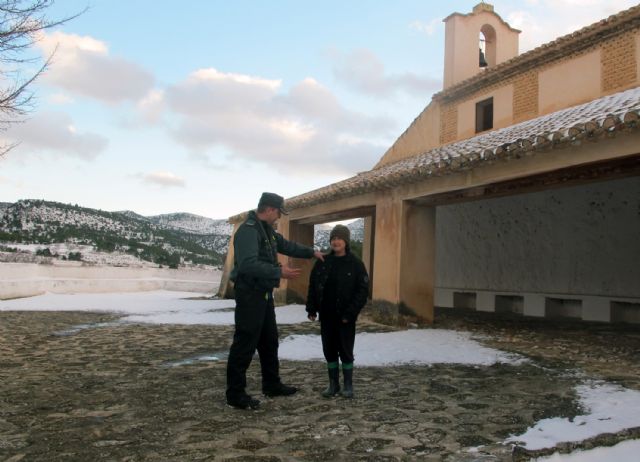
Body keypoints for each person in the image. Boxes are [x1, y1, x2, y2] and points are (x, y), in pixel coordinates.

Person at [226, 192, 324, 410]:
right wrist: (278, 272)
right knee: (245, 343)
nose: (279, 216)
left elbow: (287, 246)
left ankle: (271, 384)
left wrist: (312, 252)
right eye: (279, 212)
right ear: (270, 209)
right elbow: (248, 265)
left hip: (264, 295)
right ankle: (235, 393)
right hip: (250, 295)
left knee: (269, 342)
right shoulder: (248, 231)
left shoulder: (267, 231)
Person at [306, 224, 369, 399]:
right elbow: (313, 286)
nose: (336, 241)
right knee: (329, 349)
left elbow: (362, 291)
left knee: (346, 350)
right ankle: (333, 384)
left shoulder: (355, 264)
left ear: (346, 241)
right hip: (327, 315)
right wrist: (311, 308)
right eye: (333, 238)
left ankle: (348, 385)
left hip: (346, 317)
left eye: (339, 238)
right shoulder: (322, 262)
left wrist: (350, 313)